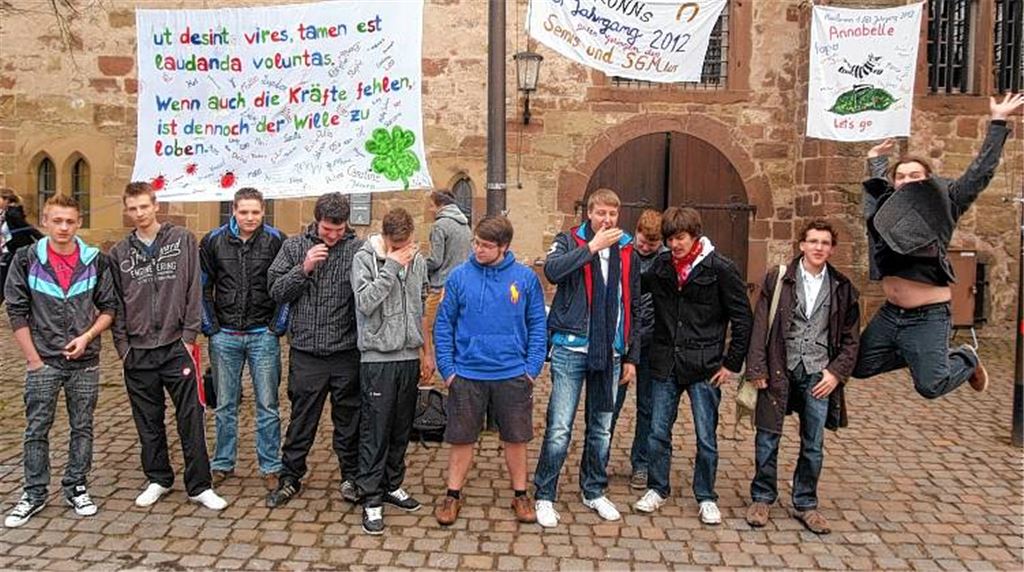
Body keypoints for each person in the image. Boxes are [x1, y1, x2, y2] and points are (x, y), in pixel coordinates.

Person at [853, 93, 1023, 398]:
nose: (907, 180)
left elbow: (978, 175)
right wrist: (875, 159)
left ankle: (966, 359)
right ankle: (918, 354)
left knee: (931, 386)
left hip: (928, 314)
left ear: (929, 180)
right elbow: (879, 187)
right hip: (891, 313)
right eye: (901, 177)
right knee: (859, 366)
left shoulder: (947, 201)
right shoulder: (887, 209)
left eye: (915, 175)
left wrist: (998, 121)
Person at [109, 182, 227, 511]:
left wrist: (189, 336)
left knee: (191, 417)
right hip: (139, 350)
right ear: (127, 210)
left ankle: (200, 485)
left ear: (155, 204)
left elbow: (193, 289)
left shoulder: (182, 240)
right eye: (132, 209)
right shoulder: (119, 253)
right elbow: (115, 303)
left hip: (176, 345)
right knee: (148, 420)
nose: (139, 214)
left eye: (144, 206)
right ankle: (158, 478)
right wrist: (123, 347)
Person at [3, 194, 117, 527]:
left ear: (78, 223)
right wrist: (33, 359)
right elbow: (16, 310)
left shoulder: (96, 260)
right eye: (57, 220)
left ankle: (76, 486)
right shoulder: (26, 259)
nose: (64, 227)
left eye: (70, 221)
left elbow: (109, 308)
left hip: (86, 361)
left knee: (82, 427)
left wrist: (87, 338)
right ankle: (34, 493)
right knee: (36, 429)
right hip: (44, 360)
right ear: (45, 222)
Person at [634, 207, 751, 524]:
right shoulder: (661, 265)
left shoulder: (720, 268)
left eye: (680, 238)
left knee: (705, 437)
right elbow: (632, 289)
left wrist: (731, 363)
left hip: (705, 365)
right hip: (665, 362)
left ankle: (706, 495)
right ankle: (657, 488)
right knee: (658, 432)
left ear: (695, 236)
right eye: (670, 239)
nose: (675, 245)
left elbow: (742, 319)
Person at [744, 220, 860, 535]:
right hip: (780, 364)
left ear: (831, 248)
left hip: (818, 373)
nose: (819, 247)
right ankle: (762, 497)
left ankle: (806, 502)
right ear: (802, 245)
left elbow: (851, 340)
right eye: (813, 241)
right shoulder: (779, 279)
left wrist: (836, 374)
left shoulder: (843, 287)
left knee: (814, 443)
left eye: (824, 242)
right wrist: (757, 368)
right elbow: (759, 327)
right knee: (768, 436)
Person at [533, 188, 641, 528]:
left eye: (612, 214)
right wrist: (592, 248)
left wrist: (631, 355)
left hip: (609, 351)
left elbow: (634, 303)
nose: (607, 220)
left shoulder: (627, 250)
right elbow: (553, 271)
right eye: (601, 214)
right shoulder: (569, 242)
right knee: (560, 427)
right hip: (571, 346)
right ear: (589, 214)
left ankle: (593, 489)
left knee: (601, 428)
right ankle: (545, 494)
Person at [433, 216, 547, 526]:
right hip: (467, 373)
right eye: (476, 243)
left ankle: (520, 494)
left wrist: (532, 368)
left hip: (512, 373)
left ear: (504, 247)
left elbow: (538, 324)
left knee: (516, 437)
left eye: (486, 245)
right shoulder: (458, 277)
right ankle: (452, 495)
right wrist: (448, 369)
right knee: (461, 437)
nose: (478, 249)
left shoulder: (524, 279)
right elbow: (444, 324)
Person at [266, 192, 363, 508]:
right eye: (326, 230)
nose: (333, 236)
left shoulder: (357, 249)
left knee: (348, 421)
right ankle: (290, 477)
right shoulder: (294, 246)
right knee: (301, 420)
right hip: (307, 351)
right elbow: (276, 290)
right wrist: (303, 268)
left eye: (338, 230)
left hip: (346, 351)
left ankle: (351, 476)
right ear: (316, 222)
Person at [351, 207, 434, 535]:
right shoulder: (364, 258)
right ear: (384, 238)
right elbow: (365, 302)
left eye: (407, 243)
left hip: (408, 356)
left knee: (401, 427)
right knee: (376, 428)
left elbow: (422, 304)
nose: (403, 248)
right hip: (377, 357)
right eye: (396, 244)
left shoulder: (419, 259)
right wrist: (391, 266)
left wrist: (426, 352)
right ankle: (371, 496)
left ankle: (392, 484)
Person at [199, 187, 288, 491]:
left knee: (268, 404)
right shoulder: (213, 241)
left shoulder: (276, 240)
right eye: (243, 212)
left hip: (263, 334)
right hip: (225, 335)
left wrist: (278, 325)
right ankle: (222, 462)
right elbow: (202, 287)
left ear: (263, 211)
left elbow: (285, 286)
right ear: (234, 211)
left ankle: (270, 465)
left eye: (255, 212)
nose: (250, 217)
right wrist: (210, 326)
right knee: (225, 404)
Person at [610, 209, 666, 491]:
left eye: (651, 246)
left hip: (653, 343)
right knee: (611, 403)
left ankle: (641, 464)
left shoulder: (666, 260)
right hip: (624, 339)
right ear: (637, 233)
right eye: (642, 242)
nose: (645, 248)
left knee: (648, 407)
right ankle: (599, 456)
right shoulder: (623, 252)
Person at [423, 189, 471, 358]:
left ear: (440, 205)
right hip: (461, 285)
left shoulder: (440, 226)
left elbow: (436, 260)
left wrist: (418, 263)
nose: (430, 210)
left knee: (424, 327)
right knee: (456, 329)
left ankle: (425, 376)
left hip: (440, 287)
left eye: (431, 206)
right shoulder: (465, 224)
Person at [1, 188, 44, 295]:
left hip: (16, 253)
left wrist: (43, 239)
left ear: (6, 199)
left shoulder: (13, 214)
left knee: (5, 282)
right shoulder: (7, 213)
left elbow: (28, 228)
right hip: (10, 252)